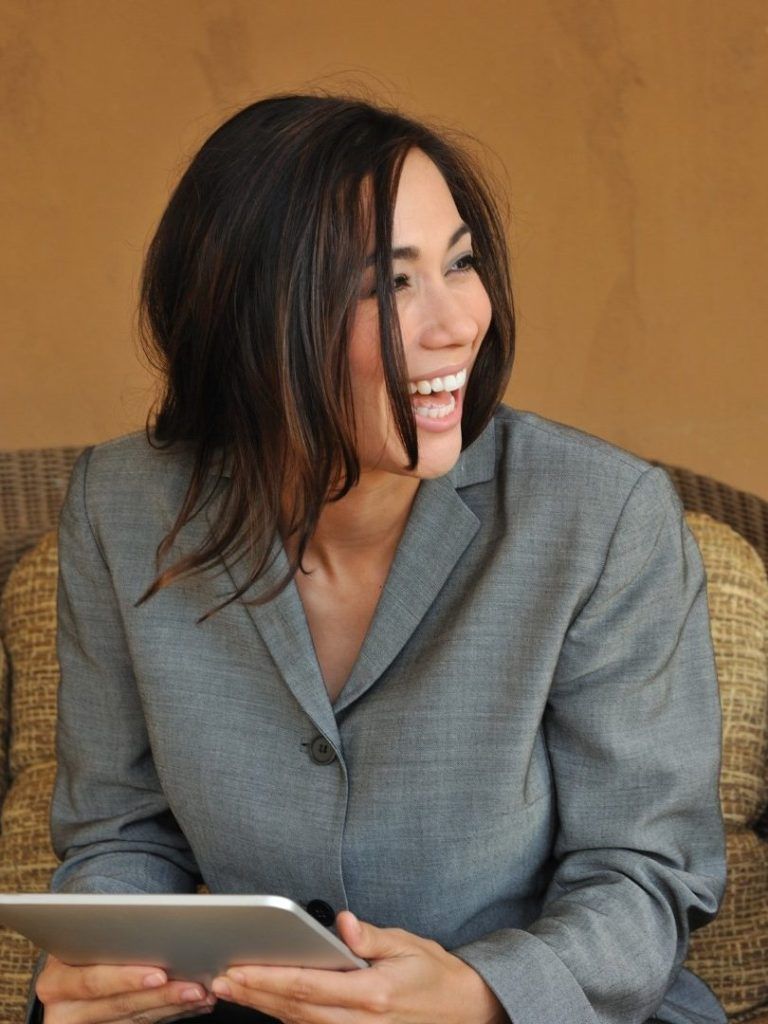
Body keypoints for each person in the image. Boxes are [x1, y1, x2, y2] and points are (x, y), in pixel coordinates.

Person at [28, 93, 727, 1024]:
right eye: (391, 284)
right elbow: (120, 833)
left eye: (460, 263)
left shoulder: (600, 517)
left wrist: (481, 994)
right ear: (253, 319)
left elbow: (645, 876)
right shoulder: (122, 505)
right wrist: (112, 966)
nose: (458, 323)